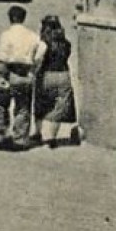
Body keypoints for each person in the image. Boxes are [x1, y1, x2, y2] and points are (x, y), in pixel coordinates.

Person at [0, 5, 42, 151]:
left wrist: (2, 76)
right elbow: (40, 53)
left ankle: (1, 128)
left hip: (10, 72)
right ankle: (20, 139)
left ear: (11, 18)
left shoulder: (6, 34)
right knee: (23, 107)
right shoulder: (33, 36)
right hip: (26, 74)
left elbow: (3, 57)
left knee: (0, 102)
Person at [35, 15, 78, 147]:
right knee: (60, 106)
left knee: (41, 104)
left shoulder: (43, 43)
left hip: (47, 74)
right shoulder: (66, 43)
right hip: (63, 75)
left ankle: (38, 133)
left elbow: (38, 59)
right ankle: (52, 138)